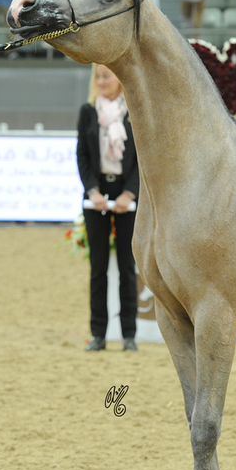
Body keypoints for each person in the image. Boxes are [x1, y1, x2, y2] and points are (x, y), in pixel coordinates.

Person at [76, 64, 139, 352]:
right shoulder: (88, 111)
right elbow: (83, 155)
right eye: (98, 77)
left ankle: (129, 335)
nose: (101, 81)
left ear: (119, 78)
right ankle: (98, 334)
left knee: (127, 266)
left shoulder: (134, 111)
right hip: (96, 196)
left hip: (126, 196)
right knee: (97, 268)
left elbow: (142, 157)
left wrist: (129, 193)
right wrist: (92, 190)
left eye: (107, 76)